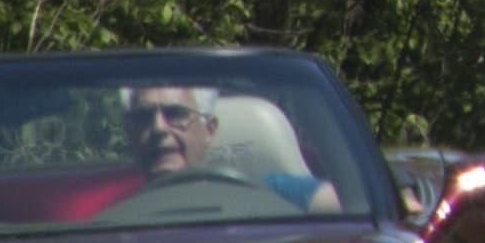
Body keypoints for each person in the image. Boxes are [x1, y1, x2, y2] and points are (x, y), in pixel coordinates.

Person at [125, 80, 340, 214]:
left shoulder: (269, 194)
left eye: (176, 114)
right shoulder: (117, 216)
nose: (158, 128)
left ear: (209, 129)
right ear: (130, 135)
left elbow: (348, 208)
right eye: (142, 117)